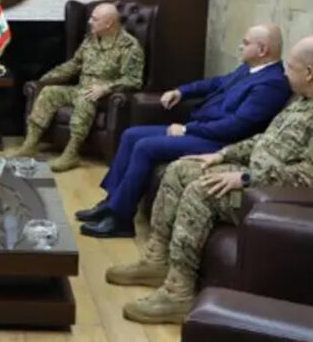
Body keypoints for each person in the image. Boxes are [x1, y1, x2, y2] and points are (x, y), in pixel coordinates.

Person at [106, 35, 313, 324]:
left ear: (309, 73)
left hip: (274, 196)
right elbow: (264, 141)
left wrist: (246, 177)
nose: (285, 73)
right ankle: (156, 261)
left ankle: (178, 294)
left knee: (202, 190)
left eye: (290, 67)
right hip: (252, 174)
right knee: (180, 170)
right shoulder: (301, 101)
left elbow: (306, 176)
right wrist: (222, 155)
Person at [77, 24, 292, 238]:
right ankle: (111, 204)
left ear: (262, 50)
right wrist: (181, 91)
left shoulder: (271, 84)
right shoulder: (249, 69)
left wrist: (188, 129)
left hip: (219, 141)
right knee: (130, 135)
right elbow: (215, 83)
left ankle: (121, 220)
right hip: (202, 130)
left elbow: (237, 126)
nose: (240, 46)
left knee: (145, 147)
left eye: (245, 43)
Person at [9, 3, 145, 172]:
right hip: (81, 88)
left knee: (85, 98)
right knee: (49, 93)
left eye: (95, 19)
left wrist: (106, 88)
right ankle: (31, 144)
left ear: (109, 23)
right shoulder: (91, 39)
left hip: (104, 96)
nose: (90, 22)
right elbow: (75, 64)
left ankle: (72, 152)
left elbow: (133, 80)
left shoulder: (130, 46)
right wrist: (46, 79)